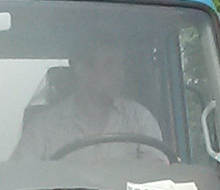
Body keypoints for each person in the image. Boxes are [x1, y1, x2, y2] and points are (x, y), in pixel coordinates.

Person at [12, 39, 163, 162]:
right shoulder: (43, 128)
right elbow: (20, 180)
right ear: (82, 70)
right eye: (109, 65)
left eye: (120, 65)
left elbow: (158, 180)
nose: (119, 73)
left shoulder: (140, 120)